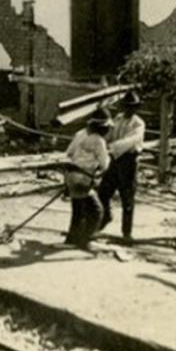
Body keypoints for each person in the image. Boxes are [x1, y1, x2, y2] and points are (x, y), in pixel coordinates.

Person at [97, 90, 146, 243]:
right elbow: (109, 134)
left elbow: (129, 141)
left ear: (136, 108)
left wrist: (111, 147)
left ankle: (126, 233)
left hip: (128, 160)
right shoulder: (117, 119)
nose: (129, 109)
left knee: (127, 199)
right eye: (126, 106)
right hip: (114, 160)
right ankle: (105, 216)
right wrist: (100, 143)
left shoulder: (138, 123)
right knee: (103, 192)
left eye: (132, 107)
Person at [64, 108, 111, 248]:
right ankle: (85, 239)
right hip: (83, 178)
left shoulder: (80, 134)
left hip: (71, 175)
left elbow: (69, 152)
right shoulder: (99, 141)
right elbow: (104, 165)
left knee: (78, 210)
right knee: (97, 211)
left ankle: (72, 239)